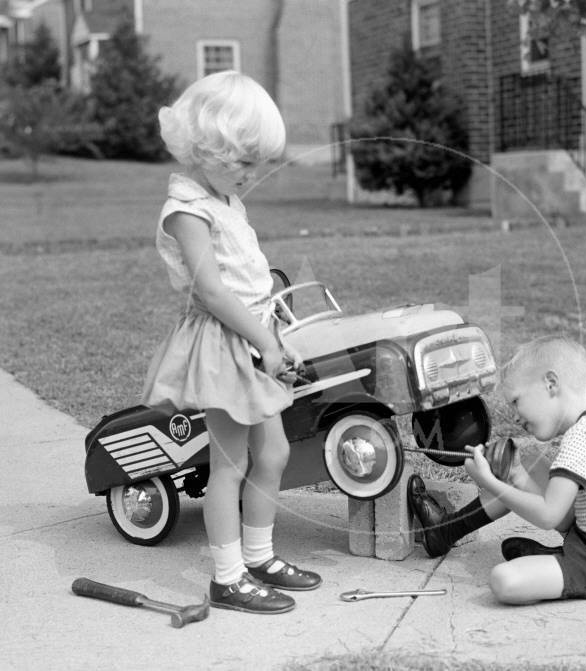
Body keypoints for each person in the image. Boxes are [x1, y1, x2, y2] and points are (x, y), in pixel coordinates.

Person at [142, 71, 321, 615]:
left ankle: (259, 556)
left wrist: (272, 333)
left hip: (253, 338)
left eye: (257, 163)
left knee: (275, 451)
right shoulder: (186, 211)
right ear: (206, 148)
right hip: (224, 345)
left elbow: (248, 280)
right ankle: (227, 576)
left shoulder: (224, 201)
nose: (252, 174)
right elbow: (213, 291)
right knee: (231, 463)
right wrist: (264, 339)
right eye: (244, 162)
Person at [408, 336, 586, 604]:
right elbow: (560, 513)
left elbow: (548, 516)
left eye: (517, 401)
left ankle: (574, 568)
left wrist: (488, 481)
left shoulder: (581, 440)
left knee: (504, 580)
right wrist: (517, 475)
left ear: (550, 384)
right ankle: (444, 532)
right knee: (531, 468)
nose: (516, 416)